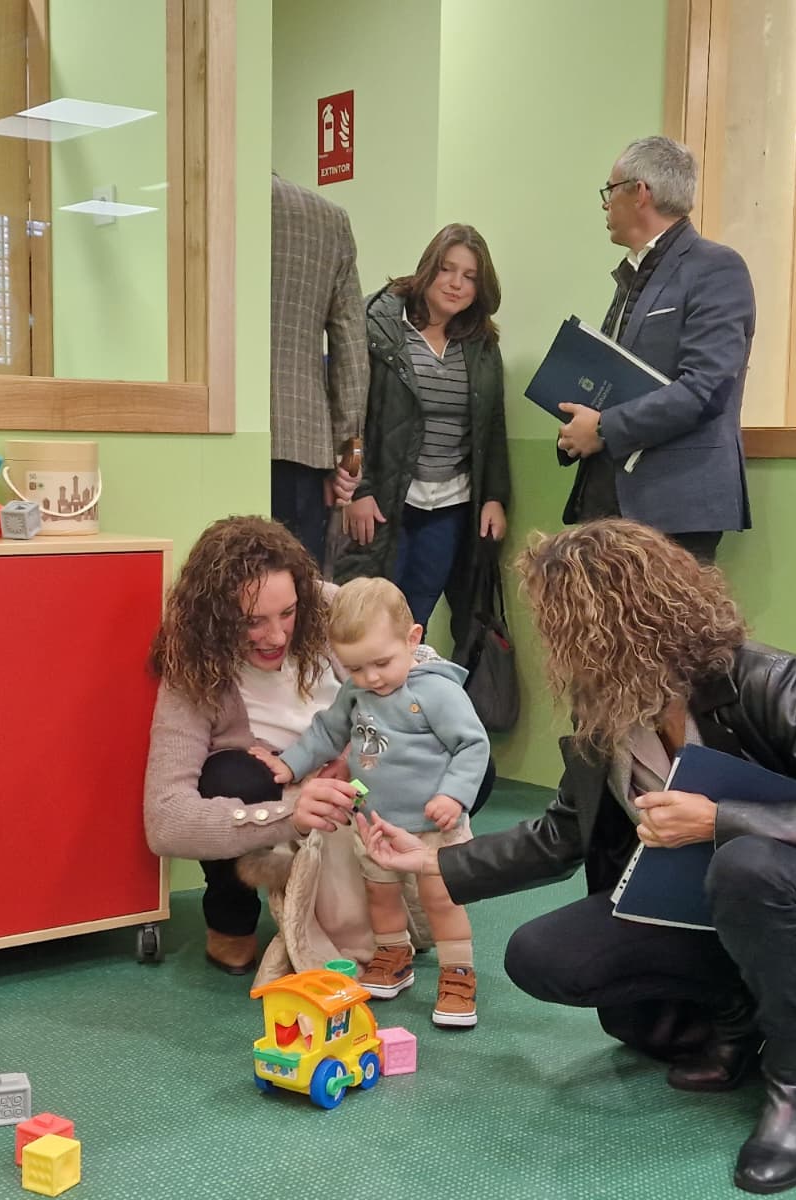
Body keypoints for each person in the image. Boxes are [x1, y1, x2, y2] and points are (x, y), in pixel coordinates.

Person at [360, 521, 796, 1194]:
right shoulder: (606, 705)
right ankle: (740, 1018)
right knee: (541, 954)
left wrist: (721, 820)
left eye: (563, 624)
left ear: (622, 620)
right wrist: (431, 862)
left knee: (747, 864)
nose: (555, 645)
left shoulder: (770, 682)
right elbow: (563, 833)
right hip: (721, 915)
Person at [256, 577, 487, 1028]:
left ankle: (458, 973)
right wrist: (288, 764)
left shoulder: (436, 693)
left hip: (431, 826)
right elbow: (327, 731)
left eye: (381, 663)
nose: (371, 678)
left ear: (413, 639)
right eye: (356, 668)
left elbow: (472, 746)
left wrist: (453, 795)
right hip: (374, 823)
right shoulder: (357, 691)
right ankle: (392, 955)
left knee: (441, 901)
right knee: (380, 895)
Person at [556, 136, 755, 565]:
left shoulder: (716, 267)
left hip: (674, 506)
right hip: (610, 499)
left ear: (639, 192)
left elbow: (704, 389)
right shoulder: (634, 273)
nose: (606, 205)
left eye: (610, 191)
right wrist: (578, 424)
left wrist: (604, 427)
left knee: (671, 634)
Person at [333, 224, 510, 644]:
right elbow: (348, 411)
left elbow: (493, 426)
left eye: (469, 276)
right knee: (366, 619)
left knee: (416, 620)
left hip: (450, 506)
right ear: (428, 268)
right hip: (384, 501)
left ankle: (405, 705)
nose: (456, 284)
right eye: (447, 269)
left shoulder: (481, 343)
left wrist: (494, 498)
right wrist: (356, 490)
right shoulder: (378, 326)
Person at [270, 174, 367, 565]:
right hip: (300, 443)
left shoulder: (199, 198)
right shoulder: (326, 219)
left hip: (202, 433)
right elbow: (352, 353)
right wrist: (349, 459)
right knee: (296, 590)